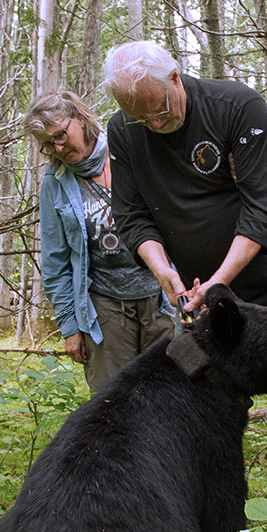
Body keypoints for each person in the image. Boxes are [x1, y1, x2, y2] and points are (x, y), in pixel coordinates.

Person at [101, 40, 267, 521]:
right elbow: (131, 215)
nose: (154, 124)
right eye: (142, 118)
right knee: (188, 400)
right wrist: (164, 270)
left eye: (159, 111)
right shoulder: (124, 130)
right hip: (200, 304)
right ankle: (202, 516)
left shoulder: (235, 106)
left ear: (176, 78)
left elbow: (263, 209)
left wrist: (220, 282)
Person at [24, 90, 174, 393]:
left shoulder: (128, 150)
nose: (57, 148)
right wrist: (69, 327)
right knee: (113, 401)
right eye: (48, 145)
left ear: (79, 120)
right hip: (103, 306)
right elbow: (55, 262)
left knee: (171, 393)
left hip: (161, 297)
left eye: (61, 135)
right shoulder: (56, 182)